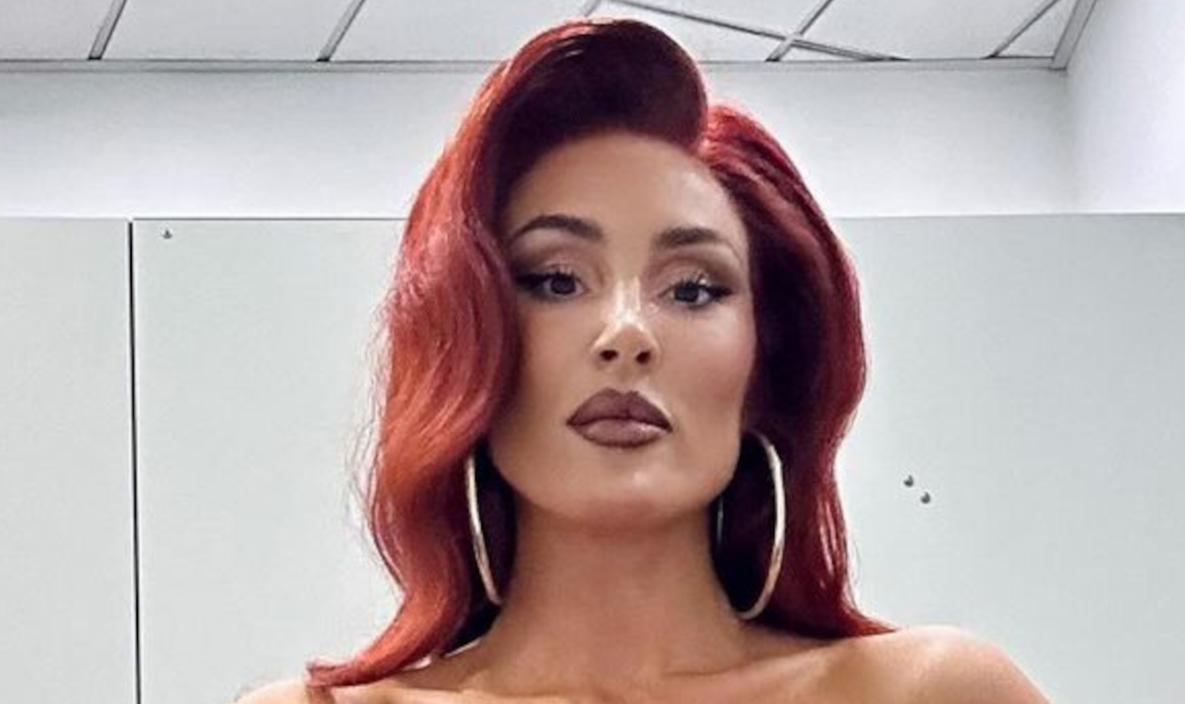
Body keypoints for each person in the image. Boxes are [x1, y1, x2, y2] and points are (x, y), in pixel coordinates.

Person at [239, 16, 1048, 704]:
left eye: (692, 290)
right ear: (468, 340)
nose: (626, 333)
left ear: (767, 363)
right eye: (556, 280)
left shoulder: (935, 694)